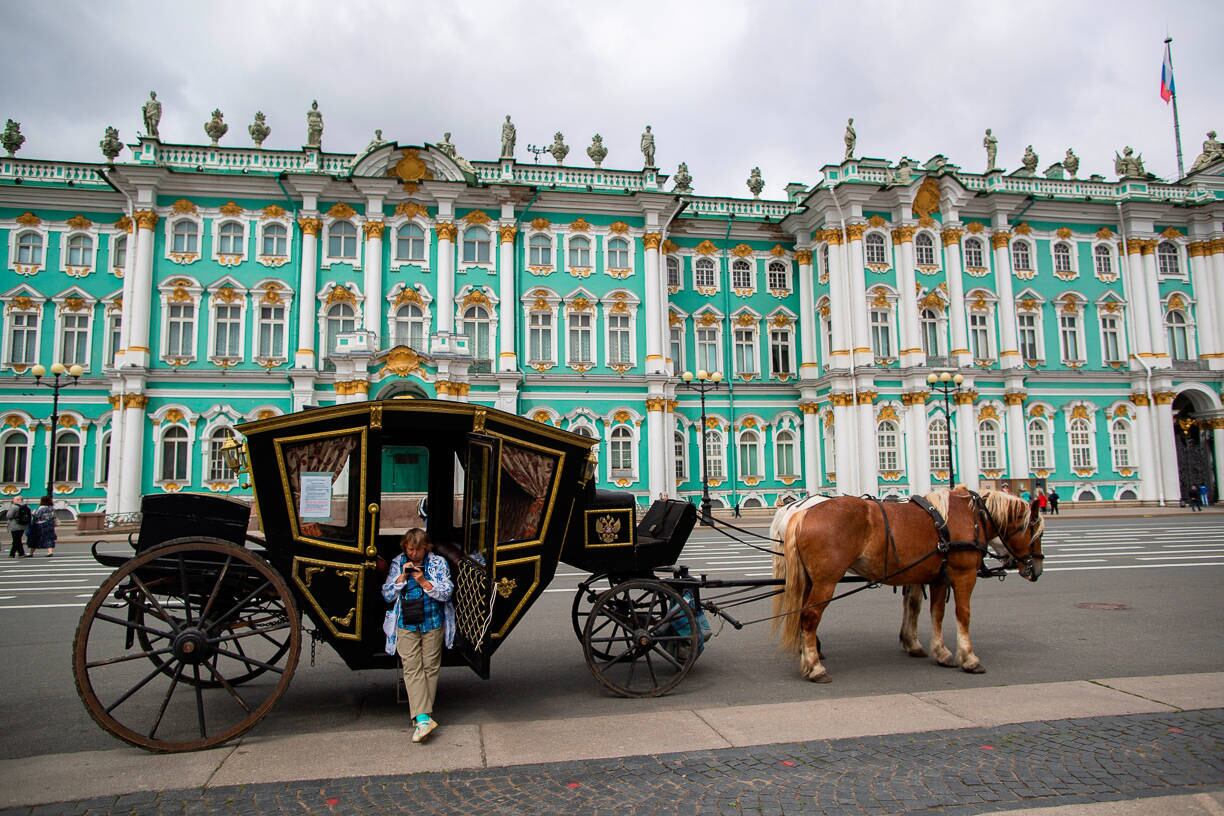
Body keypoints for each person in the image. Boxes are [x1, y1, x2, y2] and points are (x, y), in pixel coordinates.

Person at [381, 528, 453, 743]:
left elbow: (446, 591)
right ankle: (423, 718)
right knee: (412, 668)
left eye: (418, 550)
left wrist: (424, 581)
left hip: (432, 621)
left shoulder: (438, 563)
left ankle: (423, 718)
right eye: (410, 550)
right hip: (406, 623)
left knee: (430, 667)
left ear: (426, 548)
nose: (413, 555)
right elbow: (387, 594)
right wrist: (402, 577)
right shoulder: (397, 563)